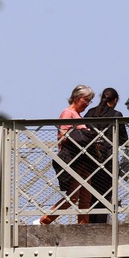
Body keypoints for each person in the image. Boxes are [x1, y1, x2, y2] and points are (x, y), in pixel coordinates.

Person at [40, 85, 95, 225]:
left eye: (90, 100)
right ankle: (45, 219)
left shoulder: (77, 115)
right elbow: (63, 136)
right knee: (73, 196)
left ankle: (83, 226)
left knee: (86, 196)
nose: (87, 103)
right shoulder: (67, 113)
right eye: (86, 99)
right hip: (73, 158)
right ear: (77, 97)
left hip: (83, 160)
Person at [84, 87, 123, 224]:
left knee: (90, 194)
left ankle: (89, 224)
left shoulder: (90, 113)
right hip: (108, 160)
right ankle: (101, 225)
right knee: (105, 195)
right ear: (115, 100)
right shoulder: (116, 115)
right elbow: (123, 138)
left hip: (90, 159)